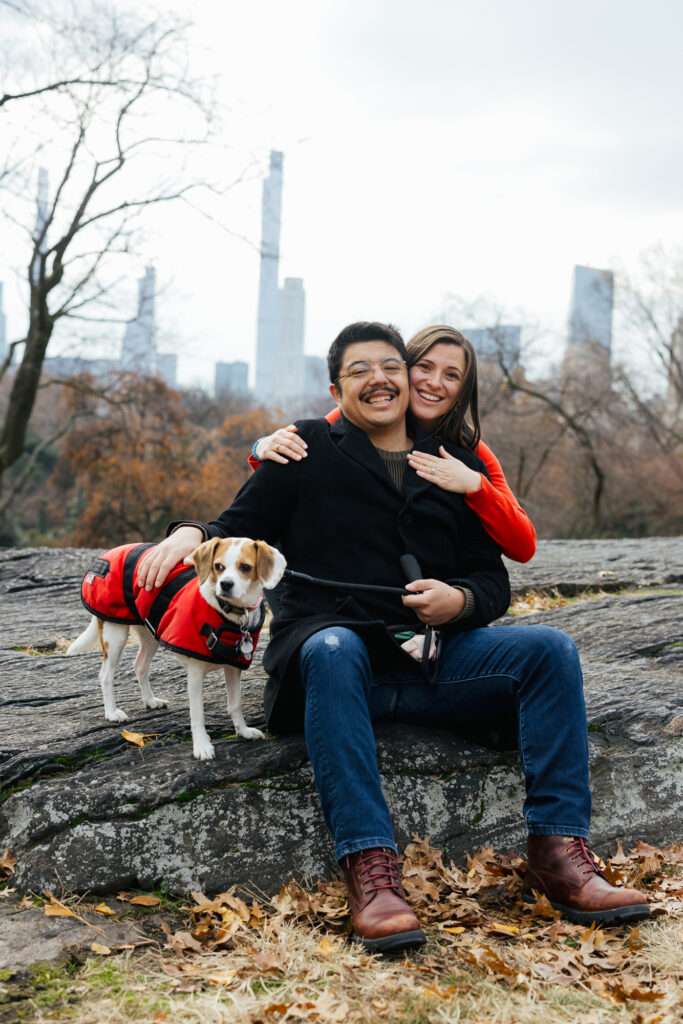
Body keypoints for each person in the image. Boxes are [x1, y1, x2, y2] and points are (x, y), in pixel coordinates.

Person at [138, 321, 650, 954]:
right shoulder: (305, 447)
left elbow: (493, 580)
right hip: (331, 669)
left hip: (429, 665)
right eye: (359, 370)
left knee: (549, 650)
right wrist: (189, 532)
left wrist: (459, 600)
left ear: (408, 379)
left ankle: (559, 855)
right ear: (337, 387)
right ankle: (372, 873)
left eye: (390, 366)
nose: (378, 379)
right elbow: (236, 525)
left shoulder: (454, 465)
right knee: (333, 646)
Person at [249, 324, 535, 564]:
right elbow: (298, 460)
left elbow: (523, 547)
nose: (435, 382)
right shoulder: (354, 417)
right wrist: (260, 447)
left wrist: (476, 486)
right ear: (402, 369)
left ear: (462, 391)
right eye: (425, 367)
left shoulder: (470, 451)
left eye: (451, 375)